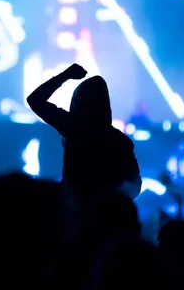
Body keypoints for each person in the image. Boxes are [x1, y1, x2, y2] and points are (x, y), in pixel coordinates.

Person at [27, 63, 141, 206]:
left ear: (77, 101)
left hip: (72, 212)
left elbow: (35, 100)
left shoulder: (73, 128)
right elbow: (135, 183)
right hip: (104, 218)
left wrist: (65, 76)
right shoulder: (120, 140)